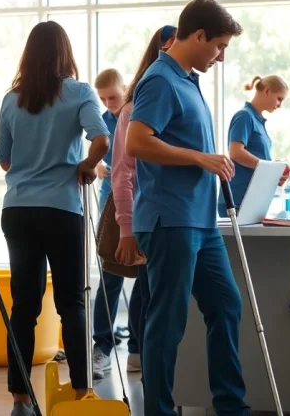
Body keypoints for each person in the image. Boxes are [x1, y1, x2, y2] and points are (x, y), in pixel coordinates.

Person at [126, 0, 249, 416]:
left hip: (200, 220)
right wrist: (200, 158)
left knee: (226, 304)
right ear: (198, 36)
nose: (221, 55)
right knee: (167, 322)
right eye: (219, 46)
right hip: (170, 219)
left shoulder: (187, 80)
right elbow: (137, 141)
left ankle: (231, 406)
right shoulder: (160, 79)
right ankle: (158, 411)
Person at [0, 21, 110, 416]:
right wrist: (86, 165)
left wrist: (29, 166)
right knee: (72, 304)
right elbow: (102, 139)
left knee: (23, 308)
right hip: (61, 208)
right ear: (65, 53)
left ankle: (20, 401)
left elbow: (4, 157)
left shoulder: (13, 100)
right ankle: (81, 397)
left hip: (19, 210)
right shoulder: (79, 93)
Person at [111, 25, 177, 384]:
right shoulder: (135, 107)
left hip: (176, 215)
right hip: (149, 216)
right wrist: (126, 226)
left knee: (155, 293)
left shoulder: (183, 94)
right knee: (150, 292)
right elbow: (122, 173)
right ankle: (139, 353)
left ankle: (148, 359)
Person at [90, 67, 134, 376]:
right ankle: (102, 346)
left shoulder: (138, 111)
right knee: (109, 277)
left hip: (139, 203)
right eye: (103, 99)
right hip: (111, 205)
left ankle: (138, 348)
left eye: (113, 97)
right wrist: (98, 168)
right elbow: (94, 155)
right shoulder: (104, 121)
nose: (109, 104)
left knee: (144, 279)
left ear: (125, 88)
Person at [217, 75, 289, 217]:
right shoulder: (244, 116)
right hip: (237, 199)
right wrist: (270, 169)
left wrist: (274, 173)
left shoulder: (257, 121)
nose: (280, 105)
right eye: (279, 99)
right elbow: (236, 152)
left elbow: (258, 161)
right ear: (267, 91)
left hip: (251, 200)